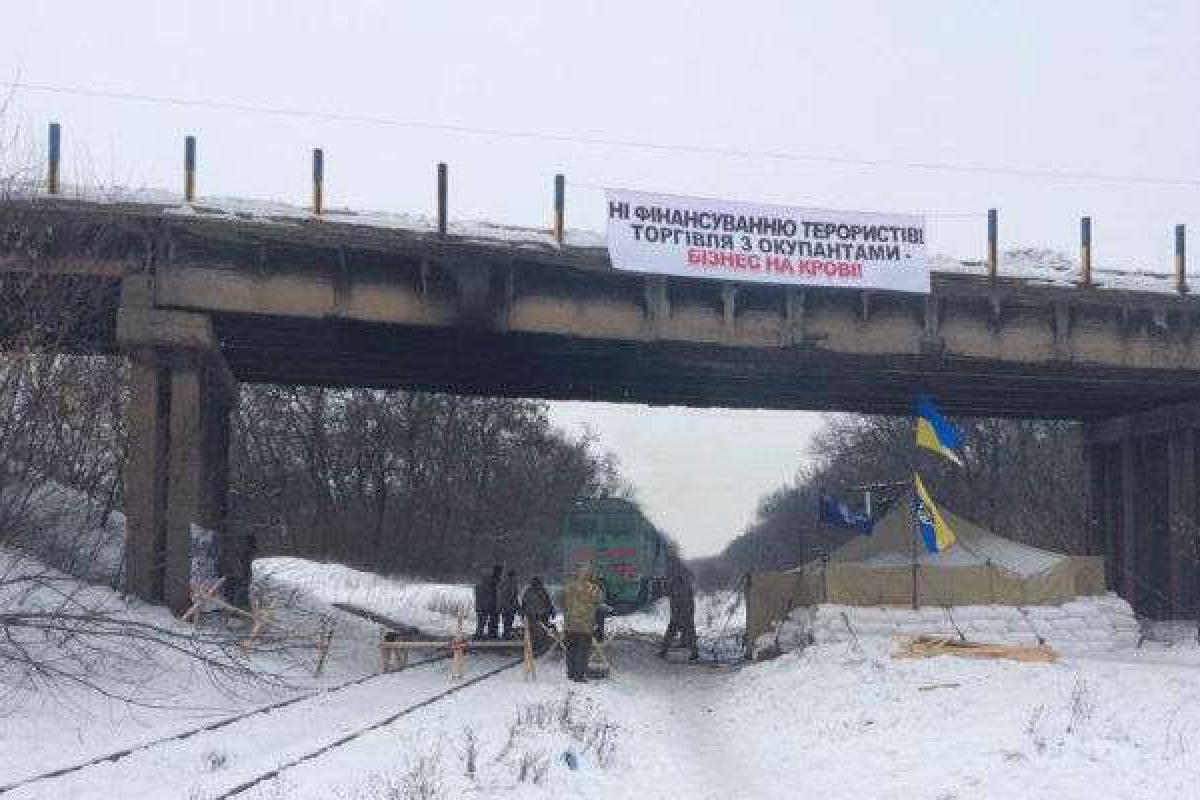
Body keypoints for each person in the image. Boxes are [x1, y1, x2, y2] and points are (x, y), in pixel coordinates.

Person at [563, 563, 603, 682]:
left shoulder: (568, 586)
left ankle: (570, 673)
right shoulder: (593, 588)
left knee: (570, 649)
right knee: (582, 651)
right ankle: (578, 676)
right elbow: (600, 600)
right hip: (585, 625)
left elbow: (559, 600)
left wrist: (569, 609)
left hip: (569, 624)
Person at [659, 568, 699, 661]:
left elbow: (679, 599)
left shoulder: (678, 585)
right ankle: (693, 651)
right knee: (688, 630)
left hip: (681, 611)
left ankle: (664, 651)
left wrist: (678, 614)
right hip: (683, 610)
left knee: (675, 629)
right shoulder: (682, 583)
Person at [521, 575, 556, 654]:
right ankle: (538, 647)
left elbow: (524, 604)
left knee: (537, 633)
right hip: (538, 615)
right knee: (538, 633)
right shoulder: (539, 591)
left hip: (537, 615)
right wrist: (551, 611)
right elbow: (548, 602)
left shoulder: (529, 591)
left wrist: (523, 614)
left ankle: (538, 647)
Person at [497, 568, 519, 639]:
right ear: (512, 576)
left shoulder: (503, 584)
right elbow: (513, 597)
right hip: (509, 607)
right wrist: (517, 607)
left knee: (506, 621)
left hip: (505, 606)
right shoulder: (511, 584)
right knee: (508, 621)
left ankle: (506, 634)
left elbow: (500, 596)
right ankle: (506, 635)